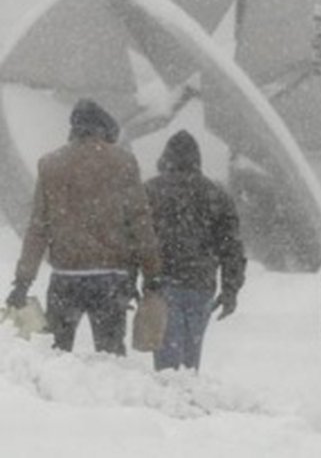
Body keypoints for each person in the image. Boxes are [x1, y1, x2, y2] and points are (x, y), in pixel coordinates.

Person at [5, 99, 162, 355]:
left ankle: (57, 381)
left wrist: (23, 281)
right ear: (104, 129)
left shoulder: (51, 165)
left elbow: (38, 229)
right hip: (111, 278)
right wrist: (152, 275)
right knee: (111, 356)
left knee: (55, 354)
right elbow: (140, 224)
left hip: (66, 277)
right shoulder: (123, 162)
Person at [144, 130, 246, 371]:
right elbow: (231, 247)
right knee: (191, 357)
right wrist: (230, 289)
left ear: (166, 158)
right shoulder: (216, 194)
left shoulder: (150, 191)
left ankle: (170, 391)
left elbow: (135, 240)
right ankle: (188, 387)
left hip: (162, 283)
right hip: (201, 285)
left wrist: (131, 281)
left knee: (167, 360)